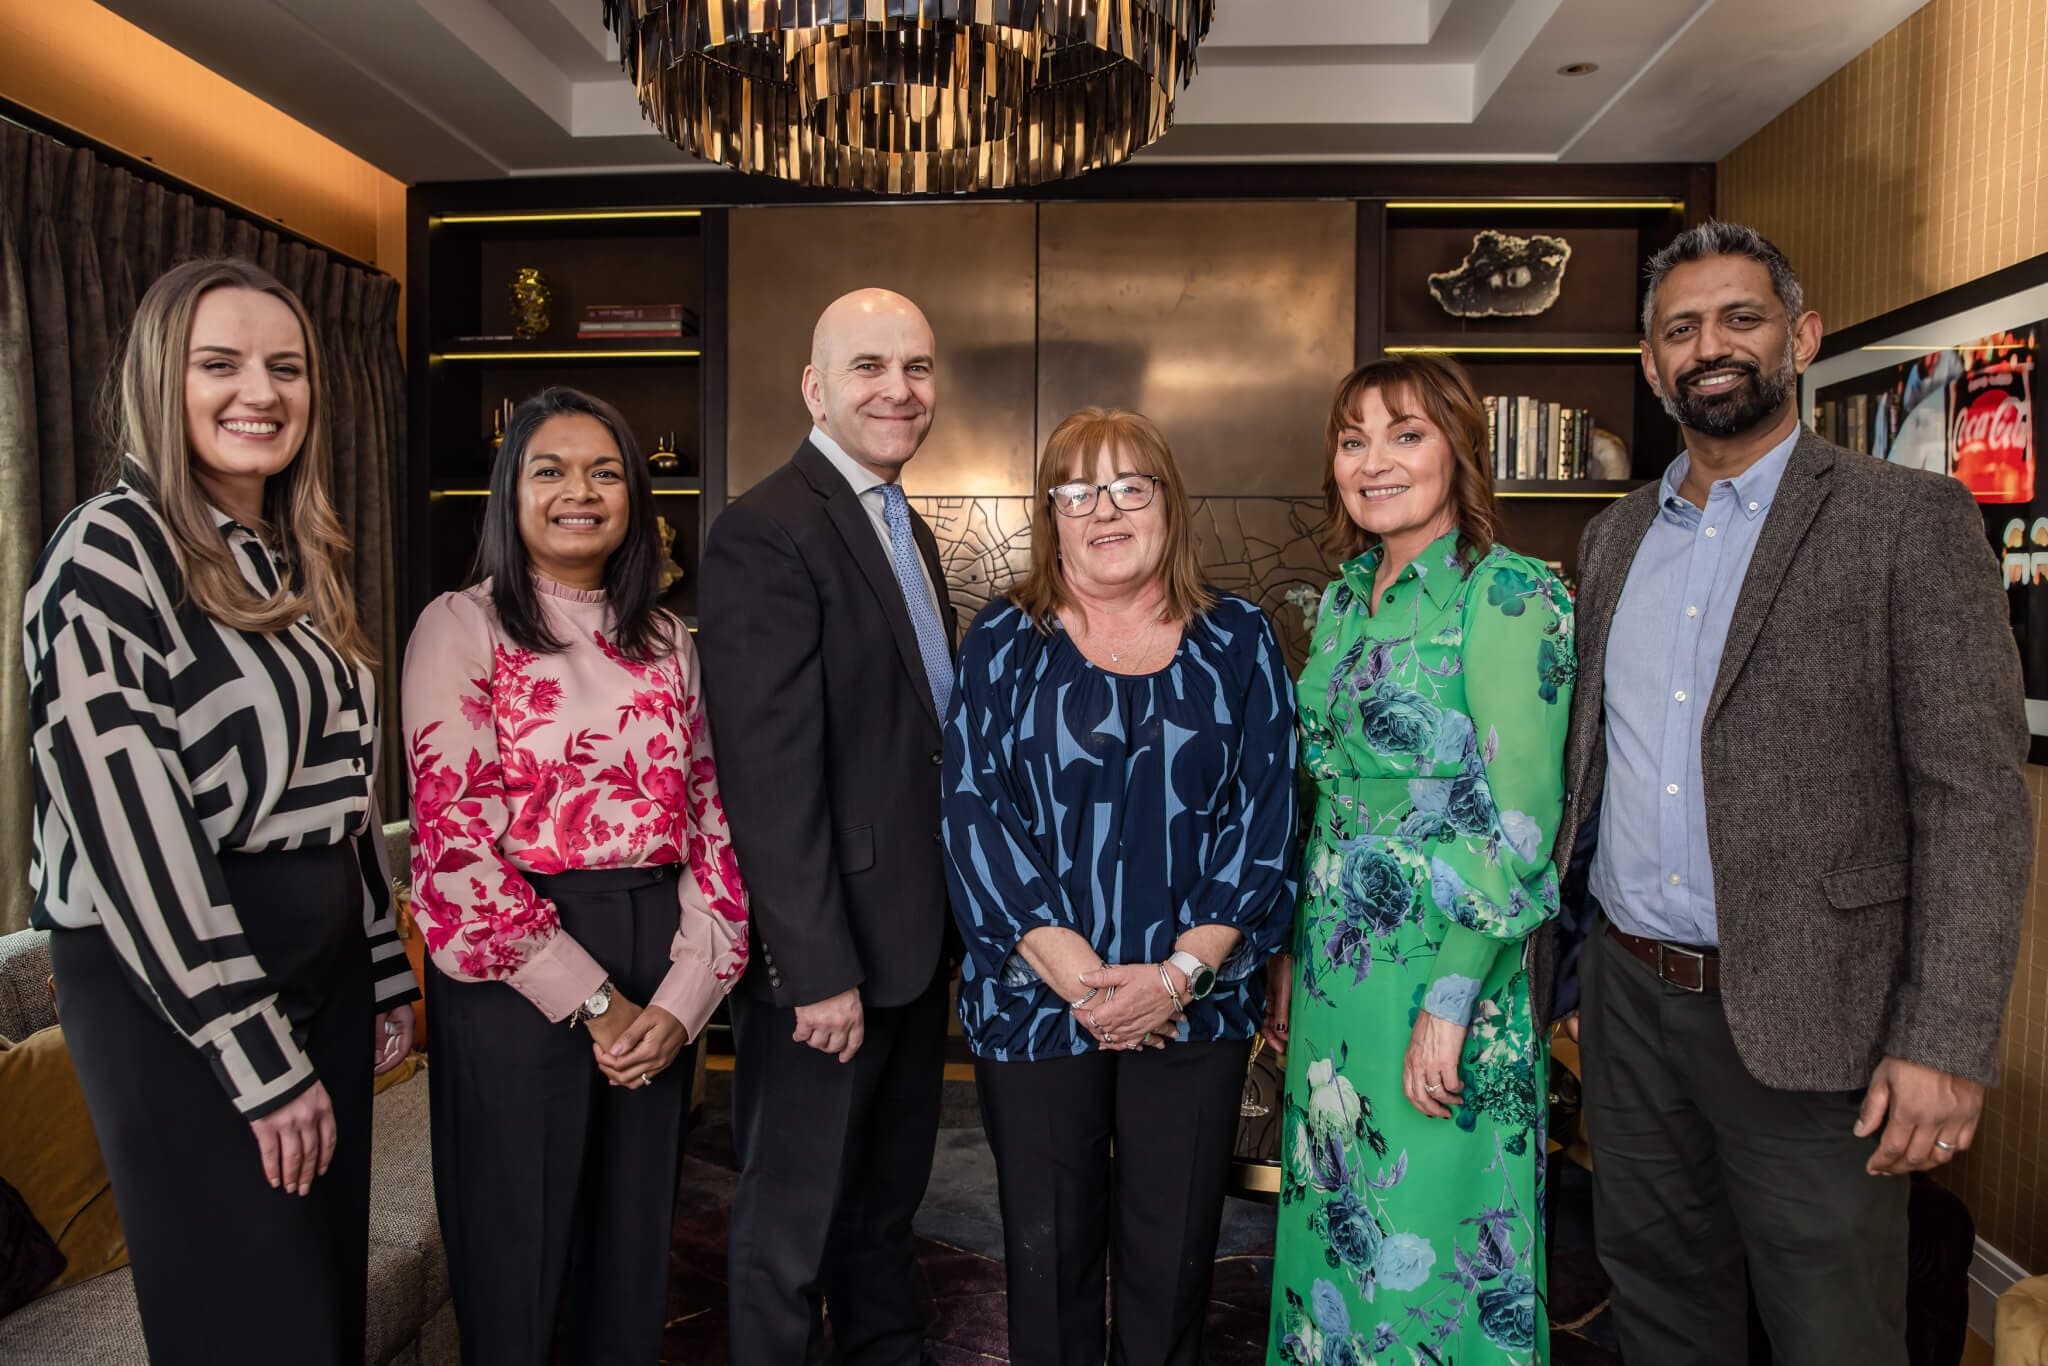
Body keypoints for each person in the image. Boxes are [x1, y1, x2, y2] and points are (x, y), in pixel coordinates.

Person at [1556, 221, 2028, 1366]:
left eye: (1740, 318)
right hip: (1627, 1004)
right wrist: (1573, 972)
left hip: (1817, 1020)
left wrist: (1944, 1040)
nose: (1708, 347)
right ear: (1649, 363)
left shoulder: (1905, 521)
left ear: (1800, 337)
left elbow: (1972, 801)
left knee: (1831, 1332)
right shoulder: (1611, 539)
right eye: (1680, 329)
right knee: (1658, 1312)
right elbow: (1593, 771)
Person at [23, 257, 417, 1365]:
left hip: (320, 974)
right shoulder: (108, 550)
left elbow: (338, 793)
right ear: (164, 379)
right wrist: (254, 1053)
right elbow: (128, 833)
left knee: (321, 1311)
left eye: (287, 367)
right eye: (221, 364)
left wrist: (381, 964)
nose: (262, 391)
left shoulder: (289, 559)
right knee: (251, 1323)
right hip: (177, 989)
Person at [943, 406, 1299, 1366]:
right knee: (1047, 1261)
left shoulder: (1239, 638)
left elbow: (1267, 815)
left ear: (1168, 503)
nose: (1105, 509)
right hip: (1036, 1004)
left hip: (1194, 1008)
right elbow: (974, 812)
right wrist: (1081, 982)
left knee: (1172, 1267)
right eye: (1078, 491)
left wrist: (1178, 977)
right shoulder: (1003, 640)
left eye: (1130, 486)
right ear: (1050, 514)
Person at [401, 386, 749, 1366]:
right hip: (516, 974)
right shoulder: (461, 626)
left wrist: (682, 1001)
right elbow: (454, 853)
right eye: (549, 470)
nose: (580, 492)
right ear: (509, 494)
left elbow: (715, 826)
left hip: (658, 953)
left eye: (605, 472)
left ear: (636, 497)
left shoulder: (668, 641)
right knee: (515, 1263)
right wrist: (596, 1004)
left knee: (630, 1266)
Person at [1266, 354, 1574, 1366]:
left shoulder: (1508, 593)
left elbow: (1518, 824)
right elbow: (1324, 796)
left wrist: (1449, 1001)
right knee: (1336, 1231)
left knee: (1432, 1241)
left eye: (1404, 434)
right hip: (1334, 977)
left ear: (1459, 448)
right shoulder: (1346, 597)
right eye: (1352, 440)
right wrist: (1288, 954)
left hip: (1446, 970)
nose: (1374, 461)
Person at [696, 288, 957, 1366]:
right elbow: (766, 774)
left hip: (914, 939)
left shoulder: (905, 527)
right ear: (814, 387)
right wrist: (815, 971)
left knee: (883, 1209)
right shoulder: (765, 530)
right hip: (828, 959)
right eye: (868, 366)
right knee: (790, 1228)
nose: (899, 389)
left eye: (917, 367)